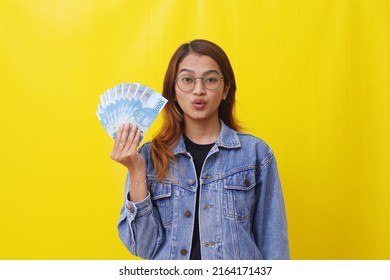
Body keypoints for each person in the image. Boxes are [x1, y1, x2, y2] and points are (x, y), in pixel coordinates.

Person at [111, 39, 290, 260]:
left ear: (225, 89)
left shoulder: (256, 153)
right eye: (187, 80)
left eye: (211, 80)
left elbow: (274, 246)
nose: (198, 90)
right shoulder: (148, 156)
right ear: (173, 91)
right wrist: (137, 170)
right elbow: (142, 247)